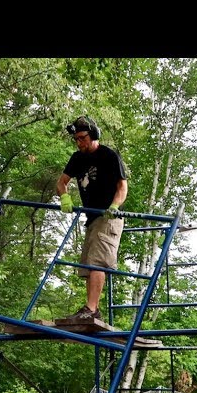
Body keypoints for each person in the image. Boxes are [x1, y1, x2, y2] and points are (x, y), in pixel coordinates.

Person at [56, 116, 128, 321]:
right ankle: (92, 309)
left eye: (83, 138)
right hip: (91, 218)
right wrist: (65, 197)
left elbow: (122, 187)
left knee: (97, 262)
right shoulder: (77, 159)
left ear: (94, 135)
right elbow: (61, 182)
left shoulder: (109, 156)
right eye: (76, 139)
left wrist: (114, 206)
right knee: (88, 265)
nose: (80, 143)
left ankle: (91, 307)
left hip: (108, 217)